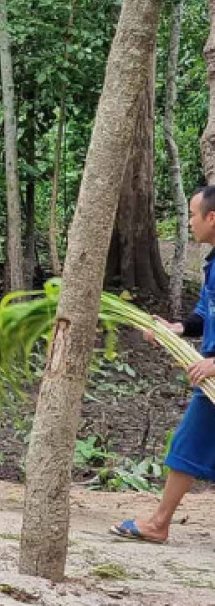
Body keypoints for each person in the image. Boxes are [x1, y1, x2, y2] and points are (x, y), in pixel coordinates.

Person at [112, 185, 215, 543]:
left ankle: (158, 524)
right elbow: (205, 312)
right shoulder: (213, 264)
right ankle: (159, 522)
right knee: (188, 447)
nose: (189, 222)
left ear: (212, 217)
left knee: (186, 446)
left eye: (192, 215)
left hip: (213, 375)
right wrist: (178, 328)